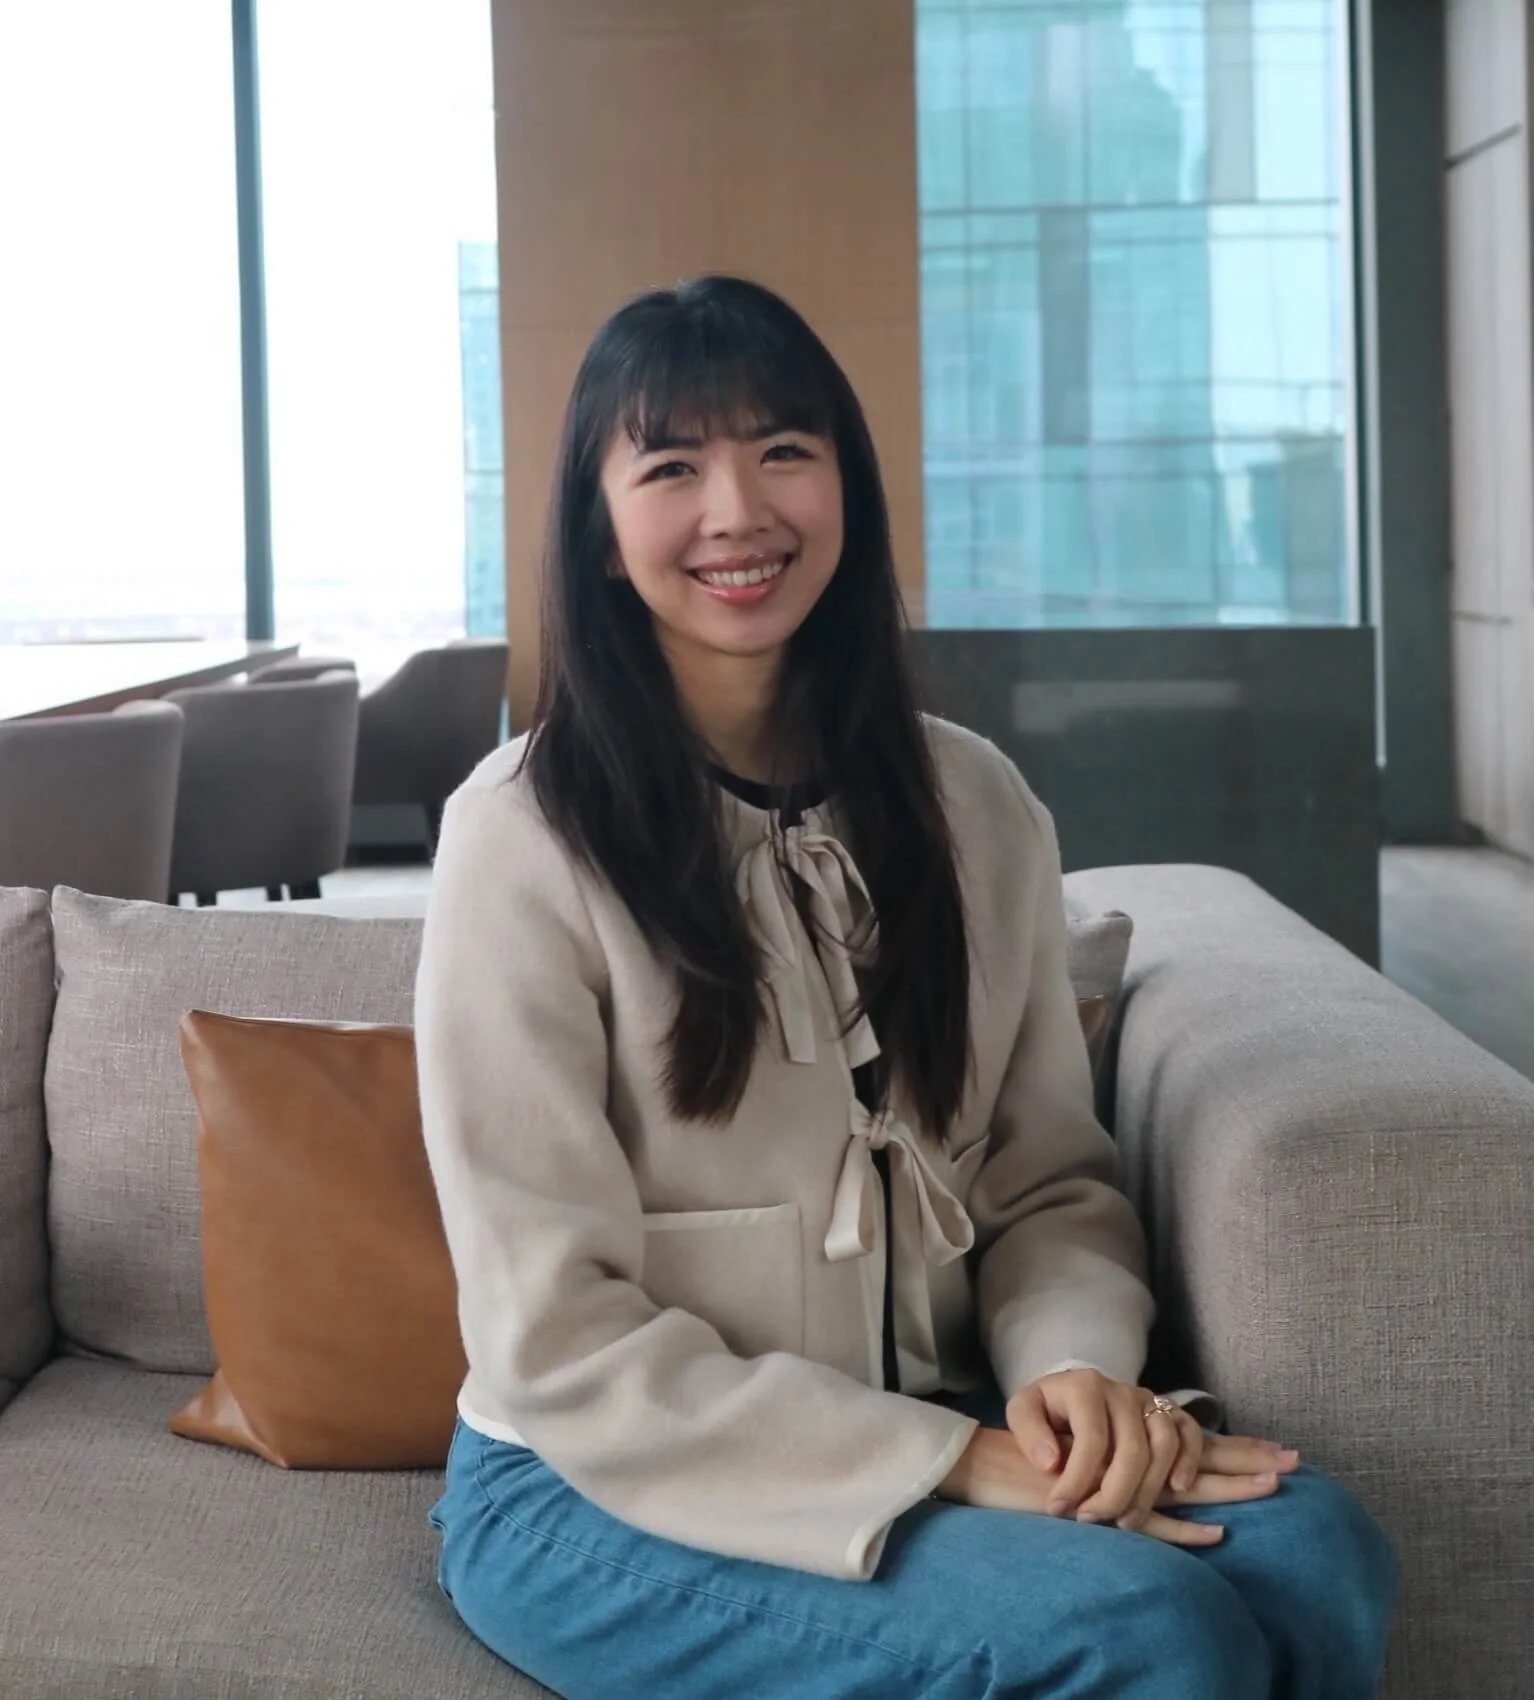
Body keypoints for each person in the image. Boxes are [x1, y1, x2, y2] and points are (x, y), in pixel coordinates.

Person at [416, 274, 1397, 1700]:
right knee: (1137, 1629)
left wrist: (1066, 1376)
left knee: (1318, 1554)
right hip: (590, 1479)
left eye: (782, 451)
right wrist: (946, 1457)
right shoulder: (519, 837)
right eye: (672, 466)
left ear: (849, 489)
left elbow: (1044, 1183)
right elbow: (553, 1333)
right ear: (602, 532)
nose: (737, 511)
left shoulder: (970, 801)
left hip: (921, 1407)